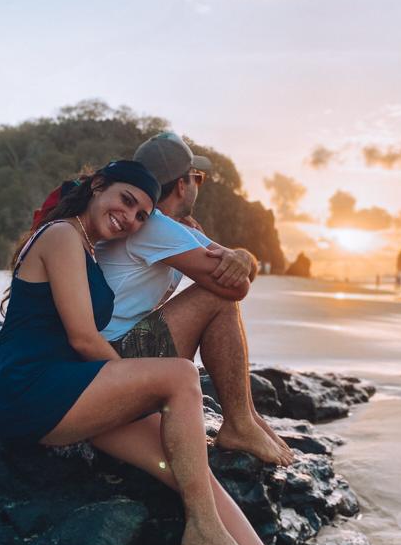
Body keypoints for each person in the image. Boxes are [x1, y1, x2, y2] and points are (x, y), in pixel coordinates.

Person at [0, 159, 341, 545]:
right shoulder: (62, 237)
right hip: (31, 393)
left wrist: (139, 396)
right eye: (125, 202)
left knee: (188, 468)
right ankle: (202, 528)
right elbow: (83, 338)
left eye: (140, 215)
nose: (130, 219)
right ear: (97, 187)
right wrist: (143, 385)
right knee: (178, 377)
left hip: (71, 391)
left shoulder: (88, 245)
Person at [37, 131, 293, 467]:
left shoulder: (152, 223)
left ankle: (247, 419)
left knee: (215, 293)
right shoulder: (154, 226)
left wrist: (242, 256)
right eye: (196, 177)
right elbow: (235, 287)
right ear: (183, 185)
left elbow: (236, 270)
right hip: (105, 361)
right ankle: (240, 424)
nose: (197, 185)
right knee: (215, 299)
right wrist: (239, 258)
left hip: (94, 360)